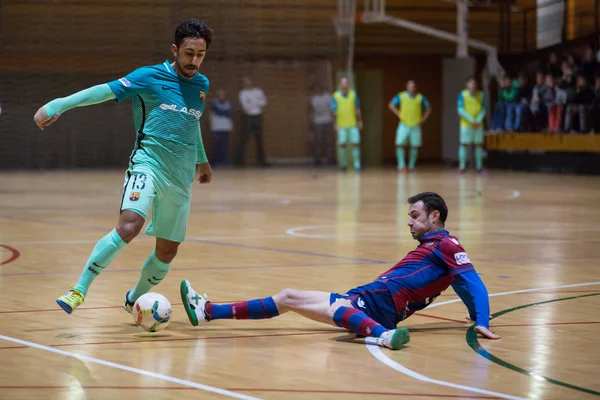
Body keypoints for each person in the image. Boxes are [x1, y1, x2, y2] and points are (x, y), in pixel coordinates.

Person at [33, 19, 214, 314]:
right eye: (189, 53)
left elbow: (191, 122)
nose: (194, 61)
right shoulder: (150, 77)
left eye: (200, 54)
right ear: (175, 50)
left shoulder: (202, 85)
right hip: (149, 165)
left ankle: (134, 300)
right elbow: (104, 91)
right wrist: (58, 105)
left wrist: (202, 160)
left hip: (180, 179)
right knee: (129, 226)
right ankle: (78, 290)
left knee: (167, 251)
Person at [180, 192, 500, 350]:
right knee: (288, 296)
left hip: (381, 304)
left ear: (435, 216)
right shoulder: (435, 248)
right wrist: (474, 315)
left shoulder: (447, 244)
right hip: (371, 297)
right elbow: (460, 284)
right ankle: (207, 311)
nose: (409, 221)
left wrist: (482, 320)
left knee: (342, 309)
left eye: (415, 216)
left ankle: (383, 336)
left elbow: (472, 282)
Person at [388, 80, 431, 173]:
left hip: (415, 124)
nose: (411, 88)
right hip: (404, 124)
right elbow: (391, 105)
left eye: (413, 86)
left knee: (414, 146)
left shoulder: (420, 98)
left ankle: (411, 166)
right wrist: (398, 113)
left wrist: (423, 119)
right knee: (399, 143)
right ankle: (401, 165)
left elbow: (428, 108)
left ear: (415, 88)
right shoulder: (401, 96)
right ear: (407, 87)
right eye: (409, 86)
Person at [332, 77, 363, 171]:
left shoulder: (353, 95)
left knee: (356, 143)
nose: (344, 85)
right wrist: (335, 123)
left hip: (353, 124)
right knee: (342, 144)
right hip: (341, 125)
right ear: (340, 85)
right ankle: (343, 165)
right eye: (343, 83)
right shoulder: (336, 96)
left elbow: (357, 109)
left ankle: (357, 165)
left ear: (348, 85)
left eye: (346, 83)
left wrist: (360, 121)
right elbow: (334, 111)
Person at [457, 77, 486, 173]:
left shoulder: (481, 95)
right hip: (466, 124)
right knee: (464, 144)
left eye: (475, 83)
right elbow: (460, 110)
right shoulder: (462, 94)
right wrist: (471, 120)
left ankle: (479, 167)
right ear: (467, 84)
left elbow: (483, 109)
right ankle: (462, 166)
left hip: (478, 124)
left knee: (478, 145)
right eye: (471, 83)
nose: (473, 85)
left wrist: (478, 120)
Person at [236, 77, 268, 166]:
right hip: (248, 117)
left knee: (259, 139)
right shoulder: (242, 93)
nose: (247, 83)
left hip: (258, 116)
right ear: (243, 84)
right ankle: (240, 162)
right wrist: (257, 103)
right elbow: (245, 107)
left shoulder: (258, 91)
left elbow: (264, 102)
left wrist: (252, 102)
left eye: (249, 81)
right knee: (244, 139)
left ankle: (262, 161)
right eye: (245, 82)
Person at [210, 89, 234, 167]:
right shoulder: (214, 103)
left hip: (226, 127)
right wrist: (226, 113)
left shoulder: (228, 103)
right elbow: (219, 111)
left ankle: (224, 162)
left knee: (225, 146)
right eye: (220, 95)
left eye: (223, 95)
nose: (221, 96)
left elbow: (231, 112)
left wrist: (225, 113)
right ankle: (217, 162)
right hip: (217, 128)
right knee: (217, 145)